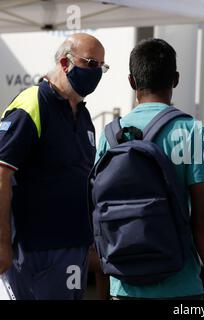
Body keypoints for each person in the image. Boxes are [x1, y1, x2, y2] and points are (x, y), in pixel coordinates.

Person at [95, 38, 204, 300]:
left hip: (124, 284)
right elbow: (202, 219)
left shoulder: (109, 136)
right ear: (176, 79)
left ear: (132, 82)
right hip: (180, 284)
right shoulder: (192, 131)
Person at [0, 33, 107, 299]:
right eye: (92, 63)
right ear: (64, 62)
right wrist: (1, 242)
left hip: (74, 248)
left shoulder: (83, 117)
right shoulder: (33, 103)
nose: (98, 73)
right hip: (34, 250)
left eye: (102, 67)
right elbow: (1, 174)